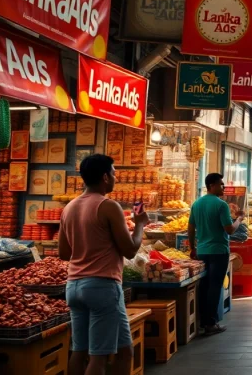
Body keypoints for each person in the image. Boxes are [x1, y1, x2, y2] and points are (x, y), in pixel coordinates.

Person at [59, 154, 148, 375]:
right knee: (98, 356)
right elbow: (129, 250)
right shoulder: (108, 206)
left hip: (74, 286)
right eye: (114, 173)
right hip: (102, 286)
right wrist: (139, 226)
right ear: (105, 177)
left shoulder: (69, 207)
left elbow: (64, 253)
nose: (115, 178)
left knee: (87, 351)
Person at [187, 173, 244, 335]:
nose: (223, 187)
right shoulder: (221, 205)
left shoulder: (197, 204)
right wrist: (239, 219)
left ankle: (203, 321)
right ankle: (210, 324)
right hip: (219, 251)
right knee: (214, 287)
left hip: (203, 251)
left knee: (204, 287)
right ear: (211, 185)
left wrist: (193, 247)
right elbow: (230, 229)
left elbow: (190, 228)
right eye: (221, 184)